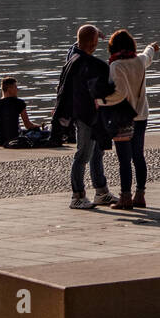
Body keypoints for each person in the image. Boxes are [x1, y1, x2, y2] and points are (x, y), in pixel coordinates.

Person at [52, 24, 116, 209]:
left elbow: (78, 44)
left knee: (96, 153)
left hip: (82, 115)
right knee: (83, 154)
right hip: (88, 117)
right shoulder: (94, 66)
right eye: (95, 41)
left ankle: (101, 192)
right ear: (94, 43)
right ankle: (77, 196)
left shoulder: (72, 58)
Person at [94, 30, 159, 210]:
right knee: (138, 156)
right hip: (141, 115)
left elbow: (119, 93)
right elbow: (148, 56)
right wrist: (151, 47)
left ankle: (125, 197)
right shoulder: (139, 61)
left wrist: (99, 100)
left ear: (112, 47)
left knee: (124, 159)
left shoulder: (116, 66)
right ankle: (140, 194)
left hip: (122, 117)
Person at [0, 77, 45, 146]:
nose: (17, 90)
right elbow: (27, 125)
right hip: (14, 139)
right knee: (43, 133)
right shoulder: (19, 103)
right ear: (9, 89)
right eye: (15, 87)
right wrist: (38, 126)